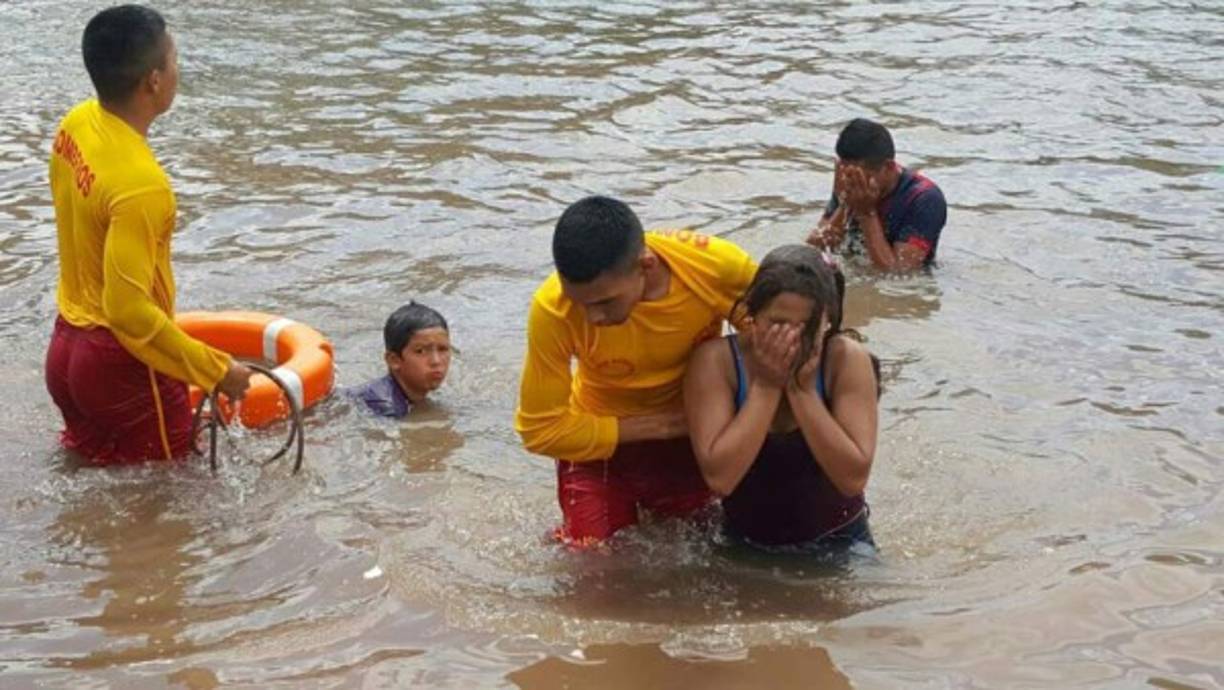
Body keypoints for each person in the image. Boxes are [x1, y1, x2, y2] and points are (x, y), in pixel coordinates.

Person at [44, 5, 252, 465]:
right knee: (176, 492)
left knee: (98, 480)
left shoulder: (76, 123)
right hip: (121, 366)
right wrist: (217, 370)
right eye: (174, 59)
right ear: (153, 81)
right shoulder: (143, 187)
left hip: (65, 350)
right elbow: (128, 313)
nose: (178, 69)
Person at [515, 196, 757, 544]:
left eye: (605, 302)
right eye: (579, 303)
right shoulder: (552, 308)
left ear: (646, 265)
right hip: (602, 445)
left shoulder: (714, 267)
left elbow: (781, 345)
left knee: (711, 548)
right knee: (591, 562)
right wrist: (669, 424)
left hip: (692, 441)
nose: (592, 318)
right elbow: (540, 430)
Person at [683, 244, 880, 550]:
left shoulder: (845, 359)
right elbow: (721, 479)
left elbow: (852, 479)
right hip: (743, 544)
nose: (791, 339)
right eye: (777, 324)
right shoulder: (717, 362)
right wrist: (766, 386)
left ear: (828, 320)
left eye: (806, 327)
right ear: (751, 315)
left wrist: (802, 390)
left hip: (842, 542)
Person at [806, 118, 947, 272]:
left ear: (889, 167)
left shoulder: (924, 198)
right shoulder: (848, 181)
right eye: (847, 173)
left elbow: (898, 273)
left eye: (861, 177)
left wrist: (866, 213)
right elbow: (813, 252)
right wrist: (845, 205)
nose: (853, 182)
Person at [350, 302, 452, 418]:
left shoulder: (410, 396)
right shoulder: (384, 407)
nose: (436, 361)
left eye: (443, 349)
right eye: (421, 351)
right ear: (394, 360)